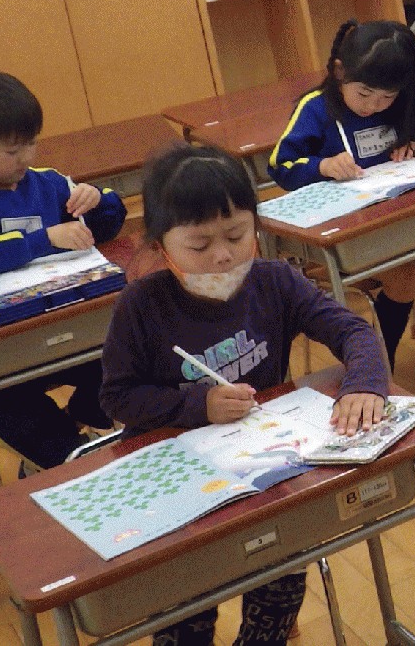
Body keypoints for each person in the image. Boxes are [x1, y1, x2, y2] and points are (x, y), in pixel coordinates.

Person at [101, 144, 389, 646]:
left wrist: (363, 383)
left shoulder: (275, 282)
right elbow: (118, 397)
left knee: (283, 568)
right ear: (160, 245)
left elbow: (354, 332)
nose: (223, 255)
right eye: (199, 245)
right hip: (177, 477)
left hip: (263, 464)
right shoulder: (142, 306)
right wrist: (196, 406)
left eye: (237, 235)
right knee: (186, 607)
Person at [270, 20, 415, 368]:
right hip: (349, 230)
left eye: (386, 97)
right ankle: (379, 365)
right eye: (364, 94)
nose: (373, 106)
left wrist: (413, 144)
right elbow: (281, 165)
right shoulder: (316, 108)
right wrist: (322, 166)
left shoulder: (401, 102)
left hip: (403, 215)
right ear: (340, 72)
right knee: (404, 277)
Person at [0, 71, 124, 472]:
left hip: (69, 332)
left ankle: (82, 431)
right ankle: (71, 459)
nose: (26, 158)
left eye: (31, 144)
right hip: (2, 351)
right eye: (11, 151)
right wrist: (45, 239)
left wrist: (100, 202)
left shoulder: (50, 183)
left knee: (127, 357)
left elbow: (103, 228)